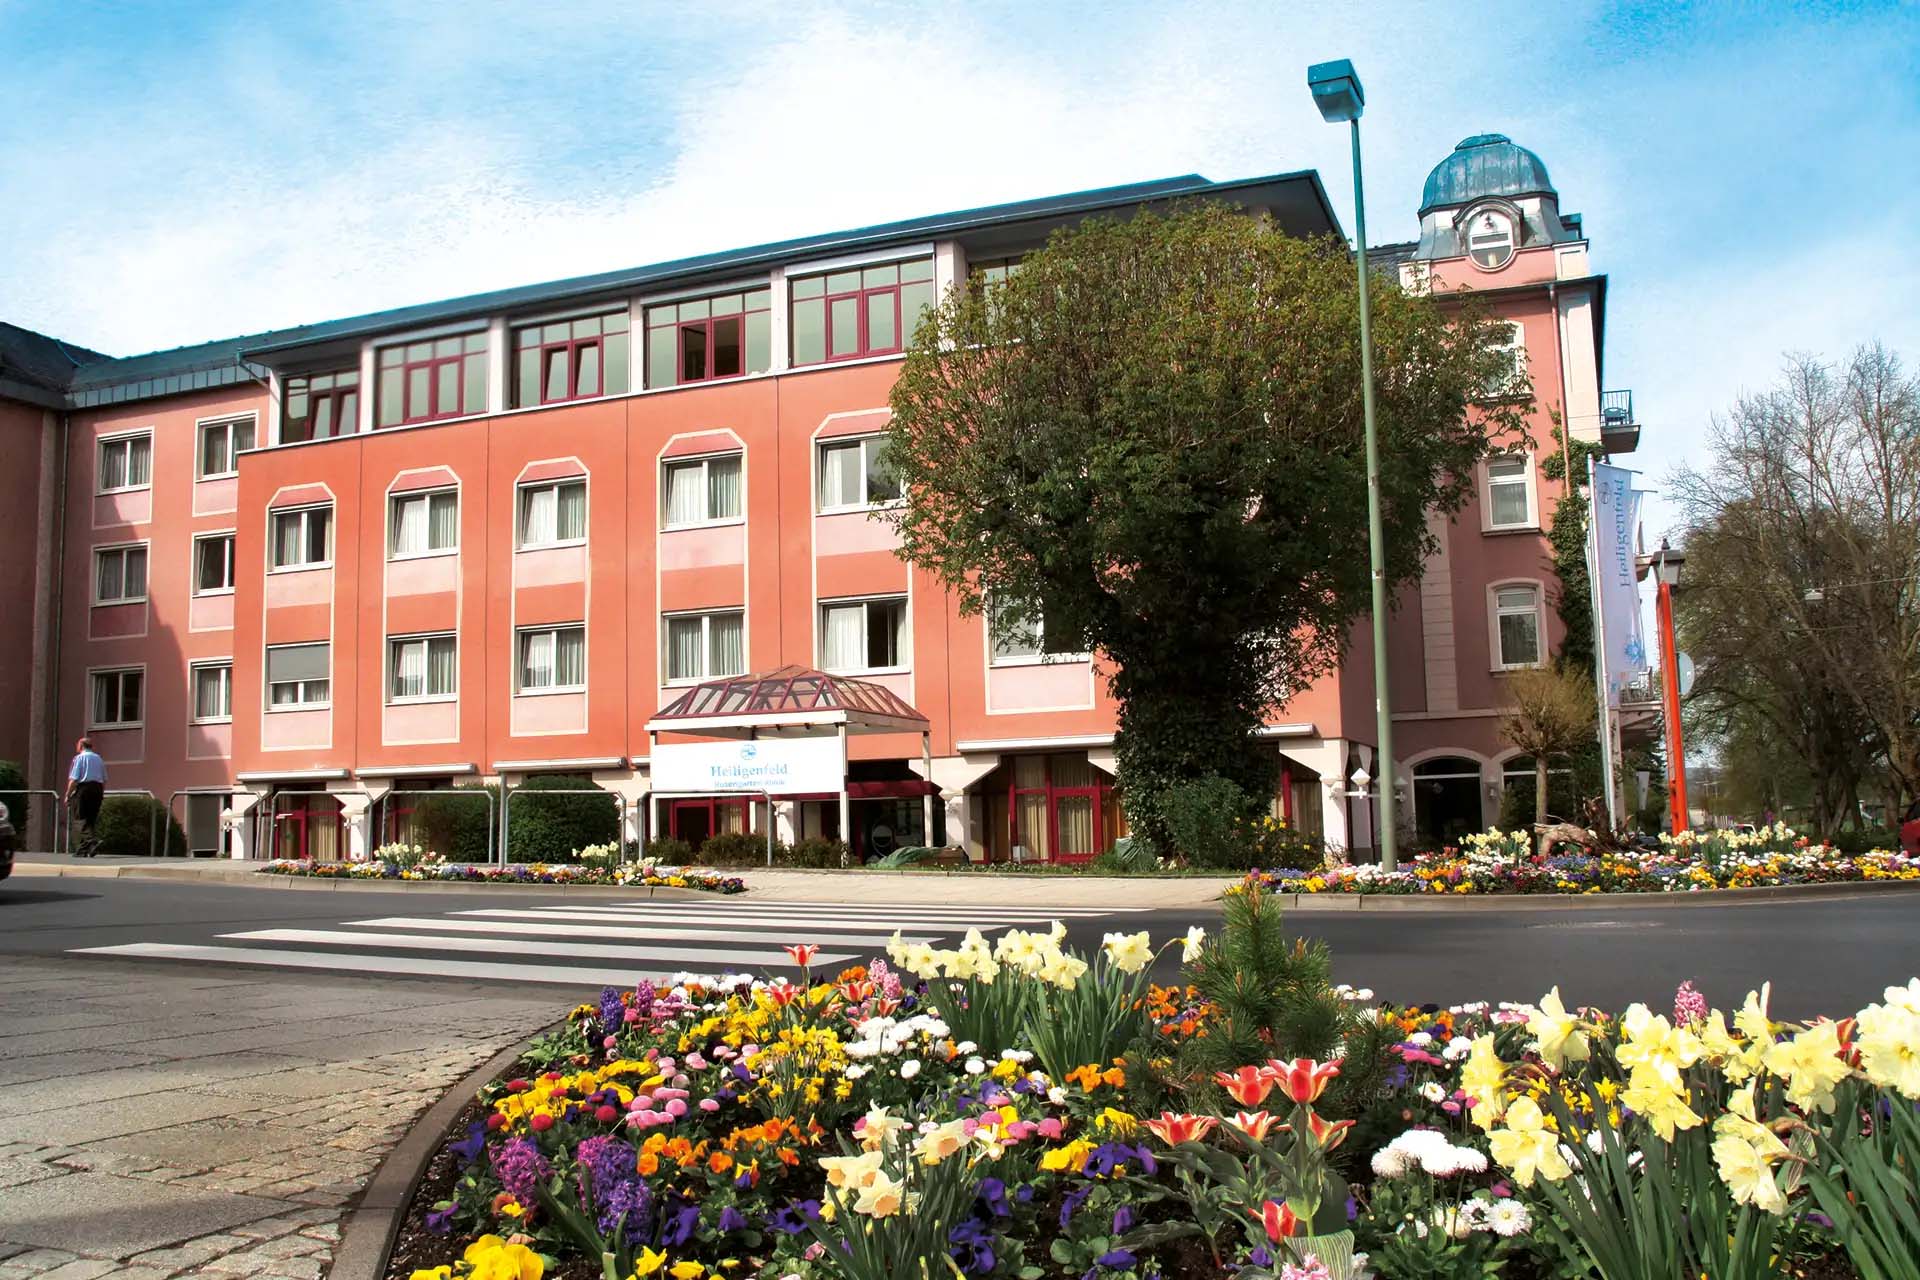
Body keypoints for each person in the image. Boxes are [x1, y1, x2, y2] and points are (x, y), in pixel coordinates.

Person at [66, 737, 106, 857]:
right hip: (97, 789)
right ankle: (85, 849)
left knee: (79, 819)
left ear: (81, 746)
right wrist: (101, 792)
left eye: (77, 744)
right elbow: (104, 779)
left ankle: (92, 841)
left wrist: (67, 794)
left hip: (84, 788)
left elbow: (74, 779)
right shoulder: (99, 758)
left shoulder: (79, 758)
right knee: (91, 819)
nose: (76, 747)